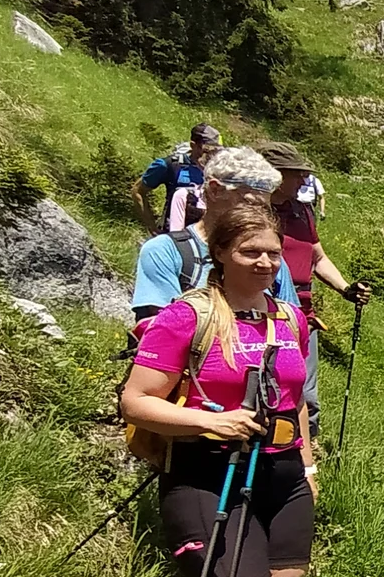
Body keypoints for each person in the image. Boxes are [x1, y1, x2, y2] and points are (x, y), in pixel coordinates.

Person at [119, 182, 322, 577]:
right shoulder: (189, 318)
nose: (263, 263)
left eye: (273, 253)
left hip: (283, 471)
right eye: (249, 252)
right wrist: (217, 423)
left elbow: (297, 400)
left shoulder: (290, 319)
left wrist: (306, 465)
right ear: (221, 254)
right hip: (209, 472)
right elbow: (136, 402)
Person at [254, 141, 370, 438]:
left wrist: (346, 288)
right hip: (262, 307)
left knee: (306, 391)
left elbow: (317, 257)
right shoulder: (254, 212)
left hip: (303, 311)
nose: (304, 181)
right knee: (266, 385)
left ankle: (305, 453)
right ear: (275, 175)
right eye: (297, 174)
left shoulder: (302, 212)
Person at [130, 149, 299, 330]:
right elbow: (164, 333)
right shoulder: (165, 251)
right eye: (250, 203)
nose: (257, 215)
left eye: (264, 208)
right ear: (215, 190)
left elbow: (291, 326)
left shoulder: (267, 259)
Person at [134, 123, 220, 234]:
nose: (213, 155)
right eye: (207, 150)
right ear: (193, 145)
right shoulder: (170, 165)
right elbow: (138, 191)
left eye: (217, 150)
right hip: (173, 236)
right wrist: (152, 226)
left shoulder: (219, 169)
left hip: (207, 237)